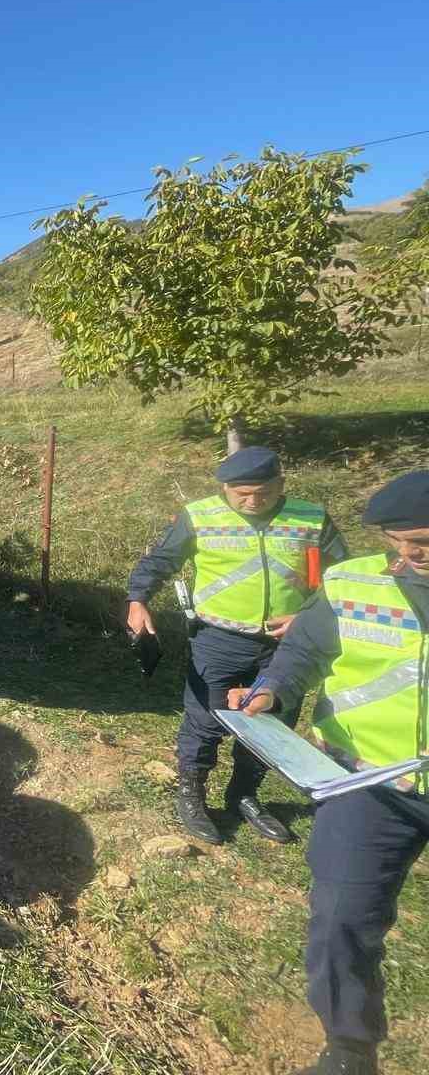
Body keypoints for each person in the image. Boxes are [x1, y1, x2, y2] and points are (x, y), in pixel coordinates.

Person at [232, 470, 429, 1075]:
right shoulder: (352, 583)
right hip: (368, 782)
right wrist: (271, 689)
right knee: (342, 913)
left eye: (423, 544)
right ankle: (349, 1049)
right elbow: (303, 650)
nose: (410, 557)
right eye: (400, 543)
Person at [126, 446, 345, 845]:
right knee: (205, 719)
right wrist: (138, 598)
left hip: (288, 645)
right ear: (225, 488)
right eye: (242, 494)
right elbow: (161, 559)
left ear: (281, 484)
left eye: (264, 492)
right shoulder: (200, 516)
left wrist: (307, 617)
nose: (253, 501)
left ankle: (244, 794)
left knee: (271, 723)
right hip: (218, 640)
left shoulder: (311, 518)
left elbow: (341, 577)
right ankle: (192, 793)